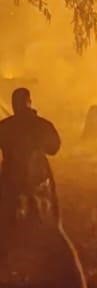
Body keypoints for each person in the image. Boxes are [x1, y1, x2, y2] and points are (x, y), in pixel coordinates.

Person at [0, 88, 61, 246]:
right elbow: (54, 148)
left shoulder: (5, 126)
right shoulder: (42, 125)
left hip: (11, 179)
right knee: (46, 221)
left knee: (7, 221)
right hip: (37, 179)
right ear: (29, 102)